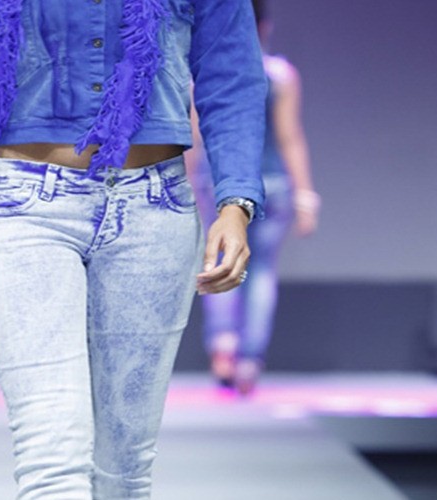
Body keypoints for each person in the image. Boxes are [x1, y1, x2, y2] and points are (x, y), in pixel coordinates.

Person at [0, 0, 268, 498]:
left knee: (124, 470)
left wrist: (236, 203)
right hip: (21, 207)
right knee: (51, 457)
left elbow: (230, 73)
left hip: (154, 207)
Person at [186, 0, 320, 396]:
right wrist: (305, 196)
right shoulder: (280, 76)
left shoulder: (205, 74)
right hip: (273, 185)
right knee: (260, 270)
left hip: (218, 183)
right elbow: (290, 137)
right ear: (264, 28)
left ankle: (223, 344)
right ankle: (249, 359)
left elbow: (196, 138)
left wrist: (187, 186)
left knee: (219, 262)